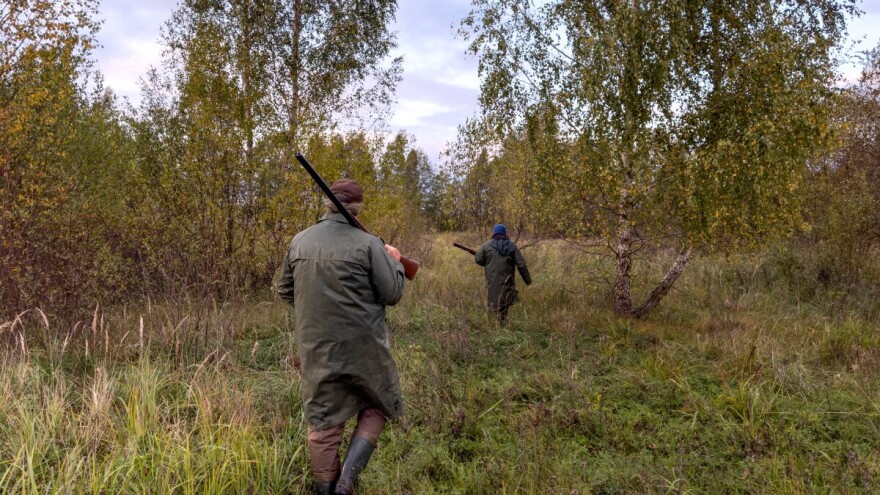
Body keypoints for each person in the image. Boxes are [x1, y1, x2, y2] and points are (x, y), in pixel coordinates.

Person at [277, 178, 406, 495]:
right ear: (358, 207)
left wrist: (316, 311)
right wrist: (396, 262)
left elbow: (285, 291)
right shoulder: (368, 244)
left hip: (317, 349)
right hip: (366, 348)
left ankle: (327, 489)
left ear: (327, 204)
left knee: (323, 422)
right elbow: (392, 294)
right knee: (379, 404)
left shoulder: (299, 241)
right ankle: (347, 481)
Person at [474, 224, 532, 324]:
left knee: (495, 303)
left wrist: (489, 262)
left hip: (492, 282)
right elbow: (521, 264)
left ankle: (497, 325)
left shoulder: (486, 245)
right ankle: (501, 323)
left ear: (494, 232)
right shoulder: (512, 245)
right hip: (507, 281)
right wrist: (528, 281)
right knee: (504, 301)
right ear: (505, 232)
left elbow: (478, 259)